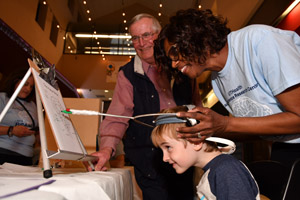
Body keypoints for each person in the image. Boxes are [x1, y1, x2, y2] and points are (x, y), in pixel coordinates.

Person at [154, 8, 300, 169]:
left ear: (194, 36)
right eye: (170, 60)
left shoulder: (260, 41)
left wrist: (225, 124)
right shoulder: (217, 81)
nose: (174, 64)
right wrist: (207, 131)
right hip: (285, 147)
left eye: (174, 52)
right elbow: (256, 128)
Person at [88, 13, 202, 200]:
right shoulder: (127, 74)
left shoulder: (181, 64)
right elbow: (118, 115)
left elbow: (197, 107)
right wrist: (106, 149)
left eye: (147, 35)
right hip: (149, 163)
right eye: (135, 38)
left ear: (159, 35)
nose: (141, 43)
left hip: (185, 157)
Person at [151, 105, 260, 200]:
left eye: (168, 147)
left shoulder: (226, 170)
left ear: (196, 141)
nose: (164, 158)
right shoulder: (213, 171)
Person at [0, 68, 39, 166]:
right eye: (25, 84)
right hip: (4, 153)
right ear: (15, 81)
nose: (28, 89)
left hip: (26, 157)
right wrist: (12, 130)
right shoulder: (2, 98)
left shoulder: (32, 105)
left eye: (31, 86)